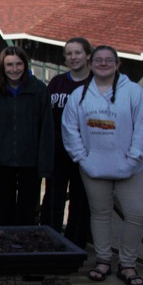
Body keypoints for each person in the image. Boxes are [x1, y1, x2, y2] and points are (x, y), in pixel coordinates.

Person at [63, 45, 143, 285]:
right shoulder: (80, 95)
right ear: (91, 64)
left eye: (109, 60)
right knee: (100, 214)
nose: (103, 64)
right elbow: (70, 128)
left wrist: (134, 158)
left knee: (138, 213)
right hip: (94, 167)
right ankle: (103, 260)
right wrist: (82, 157)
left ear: (117, 64)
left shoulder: (134, 93)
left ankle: (128, 264)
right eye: (99, 60)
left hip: (130, 168)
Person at [0, 46, 54, 226]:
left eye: (19, 64)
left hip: (30, 162)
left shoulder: (39, 90)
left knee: (27, 213)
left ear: (25, 65)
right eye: (10, 65)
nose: (14, 69)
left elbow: (46, 129)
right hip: (2, 162)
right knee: (4, 212)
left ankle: (26, 249)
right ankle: (3, 248)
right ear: (2, 67)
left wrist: (44, 165)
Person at [39, 37, 93, 248]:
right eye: (69, 54)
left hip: (84, 153)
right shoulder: (57, 82)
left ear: (88, 55)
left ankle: (75, 246)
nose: (73, 57)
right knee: (52, 199)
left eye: (78, 53)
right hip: (57, 151)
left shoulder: (95, 84)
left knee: (80, 201)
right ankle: (49, 241)